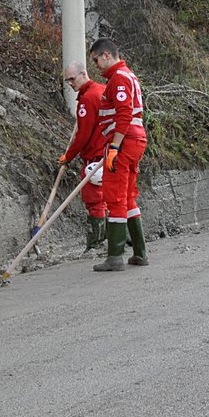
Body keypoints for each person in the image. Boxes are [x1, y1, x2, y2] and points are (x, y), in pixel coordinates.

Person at [89, 37, 148, 271]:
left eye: (95, 59)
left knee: (114, 198)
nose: (95, 65)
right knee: (128, 195)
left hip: (124, 143)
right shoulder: (127, 76)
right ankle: (140, 253)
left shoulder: (119, 79)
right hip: (133, 142)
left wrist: (114, 147)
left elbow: (123, 114)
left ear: (106, 55)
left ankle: (115, 256)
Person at [59, 62, 108, 251]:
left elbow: (83, 135)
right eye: (67, 80)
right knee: (109, 199)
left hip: (95, 159)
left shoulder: (88, 99)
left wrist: (68, 156)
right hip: (109, 155)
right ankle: (113, 241)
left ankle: (95, 244)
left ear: (83, 74)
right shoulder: (102, 90)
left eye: (72, 79)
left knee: (95, 201)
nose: (70, 84)